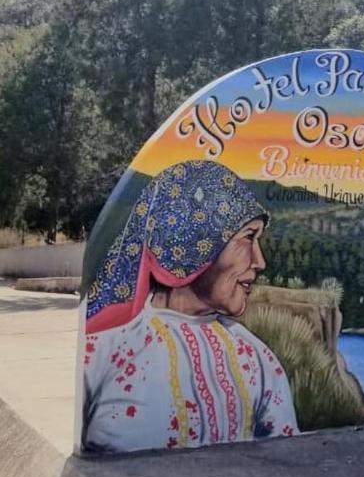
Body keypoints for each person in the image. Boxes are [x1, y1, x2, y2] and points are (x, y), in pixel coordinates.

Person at [80, 160, 297, 453]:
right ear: (197, 243)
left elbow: (288, 461)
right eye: (247, 238)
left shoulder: (257, 359)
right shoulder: (103, 354)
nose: (260, 261)